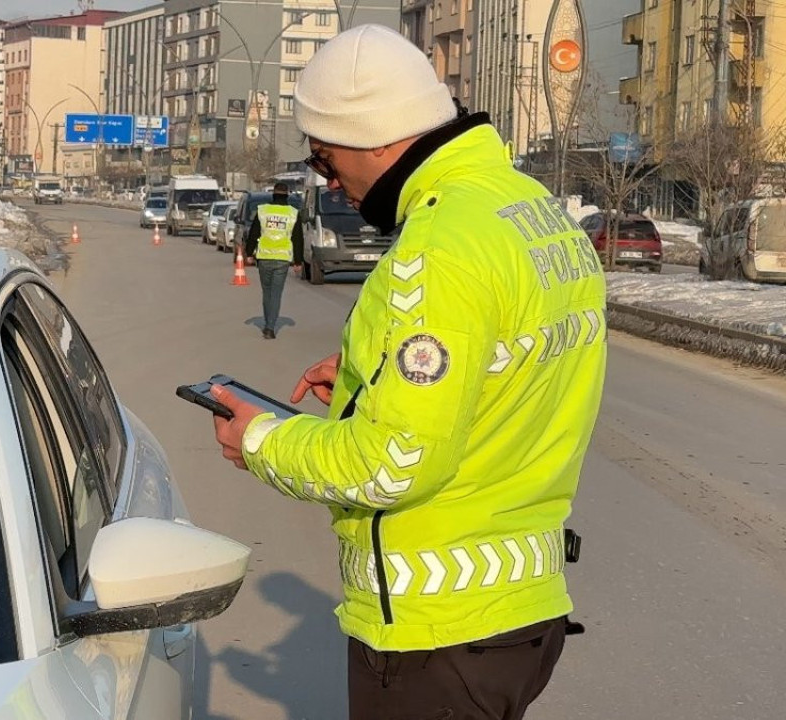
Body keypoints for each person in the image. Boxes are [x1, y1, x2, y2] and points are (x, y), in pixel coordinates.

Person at [208, 24, 606, 720]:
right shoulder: (531, 212)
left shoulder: (438, 247)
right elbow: (510, 366)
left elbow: (394, 461)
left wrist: (265, 440)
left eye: (327, 160)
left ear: (374, 139)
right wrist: (379, 378)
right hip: (518, 616)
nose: (333, 180)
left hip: (437, 634)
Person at [243, 182, 304, 339]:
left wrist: (248, 253)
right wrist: (298, 261)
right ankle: (270, 327)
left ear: (273, 195)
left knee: (267, 292)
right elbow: (298, 238)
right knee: (276, 294)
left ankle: (267, 323)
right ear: (287, 195)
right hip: (282, 259)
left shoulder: (263, 211)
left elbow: (254, 233)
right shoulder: (293, 213)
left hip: (264, 258)